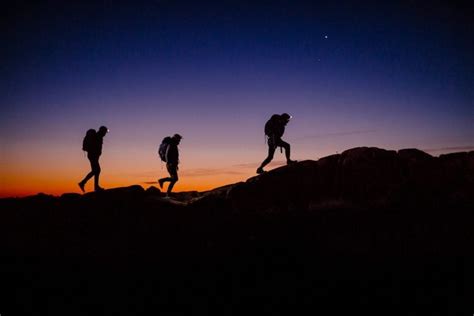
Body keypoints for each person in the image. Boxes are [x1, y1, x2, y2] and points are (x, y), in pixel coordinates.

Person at [78, 126, 109, 192]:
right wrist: (96, 154)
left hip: (94, 156)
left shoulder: (99, 136)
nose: (105, 134)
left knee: (96, 171)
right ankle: (86, 184)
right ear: (102, 131)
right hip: (93, 156)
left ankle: (90, 185)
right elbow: (95, 147)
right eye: (105, 132)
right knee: (97, 170)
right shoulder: (97, 136)